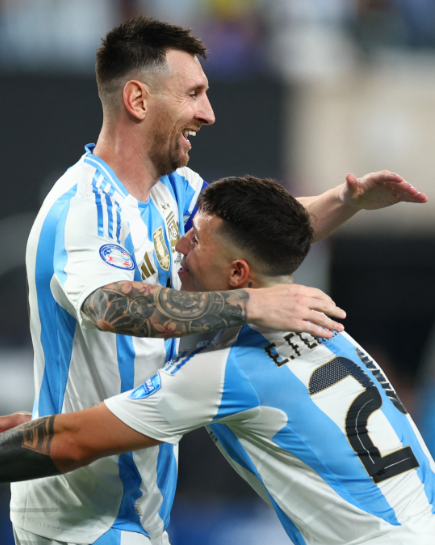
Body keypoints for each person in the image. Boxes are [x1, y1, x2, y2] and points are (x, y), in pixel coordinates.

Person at [9, 14, 428, 545]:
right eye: (194, 93)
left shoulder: (175, 188)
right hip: (77, 516)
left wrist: (342, 201)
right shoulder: (84, 209)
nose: (207, 113)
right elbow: (111, 306)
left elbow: (246, 242)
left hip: (138, 504)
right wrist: (249, 306)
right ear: (138, 100)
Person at [1, 176, 433, 545]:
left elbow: (74, 441)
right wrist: (341, 199)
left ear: (238, 275)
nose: (180, 245)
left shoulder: (225, 369)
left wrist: (52, 426)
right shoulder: (331, 331)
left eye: (197, 239)